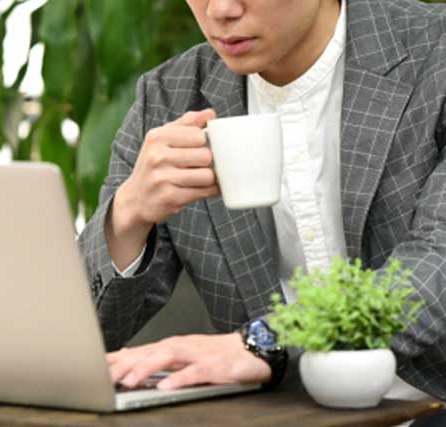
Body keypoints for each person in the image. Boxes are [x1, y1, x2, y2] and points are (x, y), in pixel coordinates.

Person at [77, 0, 446, 414]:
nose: (220, 10)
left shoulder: (436, 51)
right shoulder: (169, 98)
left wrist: (267, 342)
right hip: (277, 415)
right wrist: (128, 216)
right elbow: (82, 341)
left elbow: (437, 266)